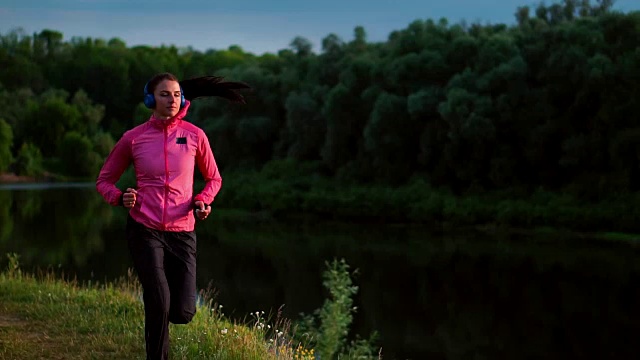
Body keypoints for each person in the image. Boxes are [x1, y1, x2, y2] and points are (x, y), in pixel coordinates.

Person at [96, 72, 249, 360]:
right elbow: (104, 180)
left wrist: (203, 200)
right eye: (165, 94)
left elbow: (214, 179)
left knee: (183, 312)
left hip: (182, 230)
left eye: (177, 94)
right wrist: (119, 197)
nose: (172, 100)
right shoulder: (133, 138)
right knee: (159, 301)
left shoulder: (195, 136)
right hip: (145, 228)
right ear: (150, 99)